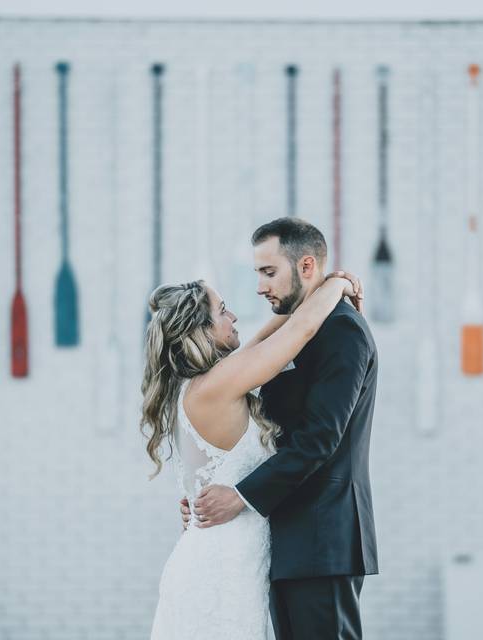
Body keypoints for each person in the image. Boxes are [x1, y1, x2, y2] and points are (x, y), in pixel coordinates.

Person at [143, 246, 363, 639]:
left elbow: (263, 340)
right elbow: (300, 331)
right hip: (221, 570)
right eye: (223, 310)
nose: (234, 316)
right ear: (202, 329)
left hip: (231, 559)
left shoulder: (202, 384)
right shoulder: (219, 385)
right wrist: (338, 284)